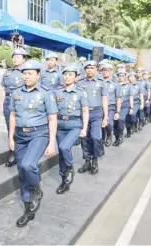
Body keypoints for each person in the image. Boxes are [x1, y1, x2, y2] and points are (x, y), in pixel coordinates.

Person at [9, 60, 58, 227]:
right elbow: (13, 116)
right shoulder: (16, 93)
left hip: (39, 134)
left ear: (38, 74)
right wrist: (10, 137)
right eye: (24, 73)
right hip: (20, 135)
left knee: (28, 165)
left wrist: (52, 142)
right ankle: (28, 207)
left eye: (30, 73)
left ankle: (36, 189)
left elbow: (52, 119)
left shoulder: (46, 93)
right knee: (21, 170)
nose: (26, 76)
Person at [54, 64, 89, 194]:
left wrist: (84, 128)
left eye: (70, 75)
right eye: (65, 74)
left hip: (74, 125)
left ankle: (70, 168)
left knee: (64, 147)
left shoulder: (81, 93)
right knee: (62, 154)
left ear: (76, 77)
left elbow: (85, 111)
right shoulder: (57, 92)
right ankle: (64, 180)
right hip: (60, 125)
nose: (67, 77)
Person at [77, 60, 108, 175]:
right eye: (87, 68)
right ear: (85, 70)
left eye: (92, 68)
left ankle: (95, 159)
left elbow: (104, 100)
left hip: (96, 113)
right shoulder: (79, 83)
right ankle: (87, 161)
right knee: (84, 138)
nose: (89, 70)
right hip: (83, 113)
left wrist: (105, 117)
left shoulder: (101, 83)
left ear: (96, 69)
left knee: (96, 137)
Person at [1, 48, 27, 167]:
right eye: (14, 57)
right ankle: (12, 150)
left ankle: (22, 150)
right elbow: (3, 89)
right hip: (8, 100)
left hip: (21, 102)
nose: (15, 59)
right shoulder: (8, 72)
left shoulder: (27, 72)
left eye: (18, 57)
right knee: (9, 127)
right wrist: (2, 103)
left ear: (24, 59)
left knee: (20, 126)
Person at [100, 64, 121, 149]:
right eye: (104, 70)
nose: (105, 72)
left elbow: (118, 98)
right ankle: (101, 146)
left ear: (111, 72)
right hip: (99, 107)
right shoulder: (99, 82)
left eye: (108, 70)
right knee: (100, 126)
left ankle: (109, 133)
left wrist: (118, 112)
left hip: (110, 107)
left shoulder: (115, 84)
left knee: (108, 123)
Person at [113, 70, 133, 146]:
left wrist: (131, 107)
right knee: (115, 122)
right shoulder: (114, 85)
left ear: (125, 77)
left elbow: (131, 97)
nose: (121, 77)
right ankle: (117, 137)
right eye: (119, 76)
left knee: (120, 119)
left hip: (124, 106)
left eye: (122, 76)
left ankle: (121, 134)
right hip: (115, 105)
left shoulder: (128, 86)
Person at [125, 72, 144, 138]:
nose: (131, 78)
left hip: (136, 102)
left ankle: (133, 125)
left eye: (133, 76)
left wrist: (142, 104)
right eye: (130, 76)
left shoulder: (138, 85)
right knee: (127, 117)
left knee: (132, 114)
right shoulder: (126, 85)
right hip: (127, 102)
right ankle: (130, 128)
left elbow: (141, 95)